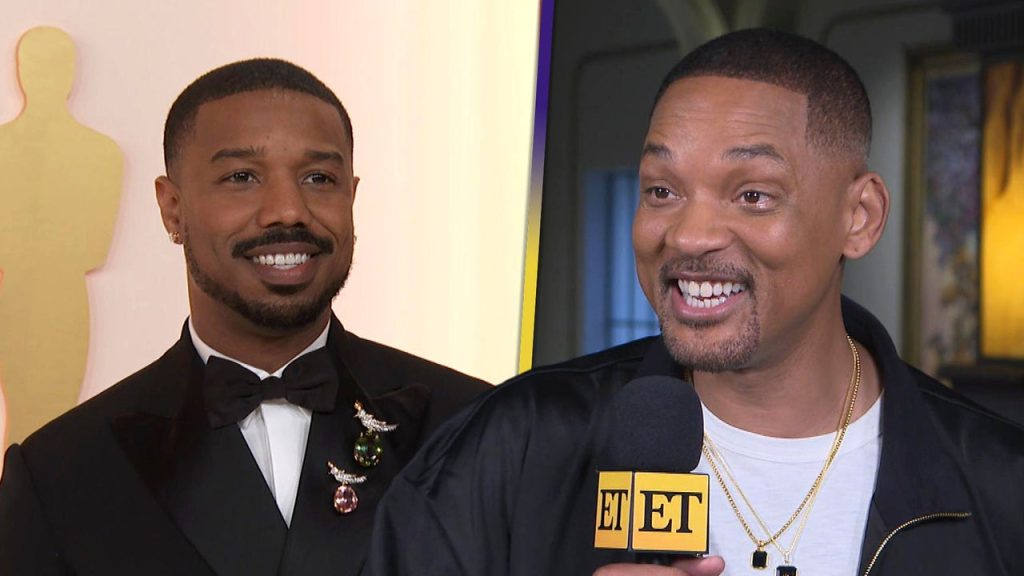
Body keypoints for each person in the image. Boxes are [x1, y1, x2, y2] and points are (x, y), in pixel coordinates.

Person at [361, 29, 1024, 576]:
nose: (688, 235)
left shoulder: (999, 481)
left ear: (860, 216)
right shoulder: (513, 443)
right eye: (662, 191)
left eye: (752, 195)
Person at [0, 58, 489, 576]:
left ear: (352, 196)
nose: (288, 210)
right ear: (172, 208)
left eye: (319, 178)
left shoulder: (476, 427)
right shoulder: (61, 472)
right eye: (242, 177)